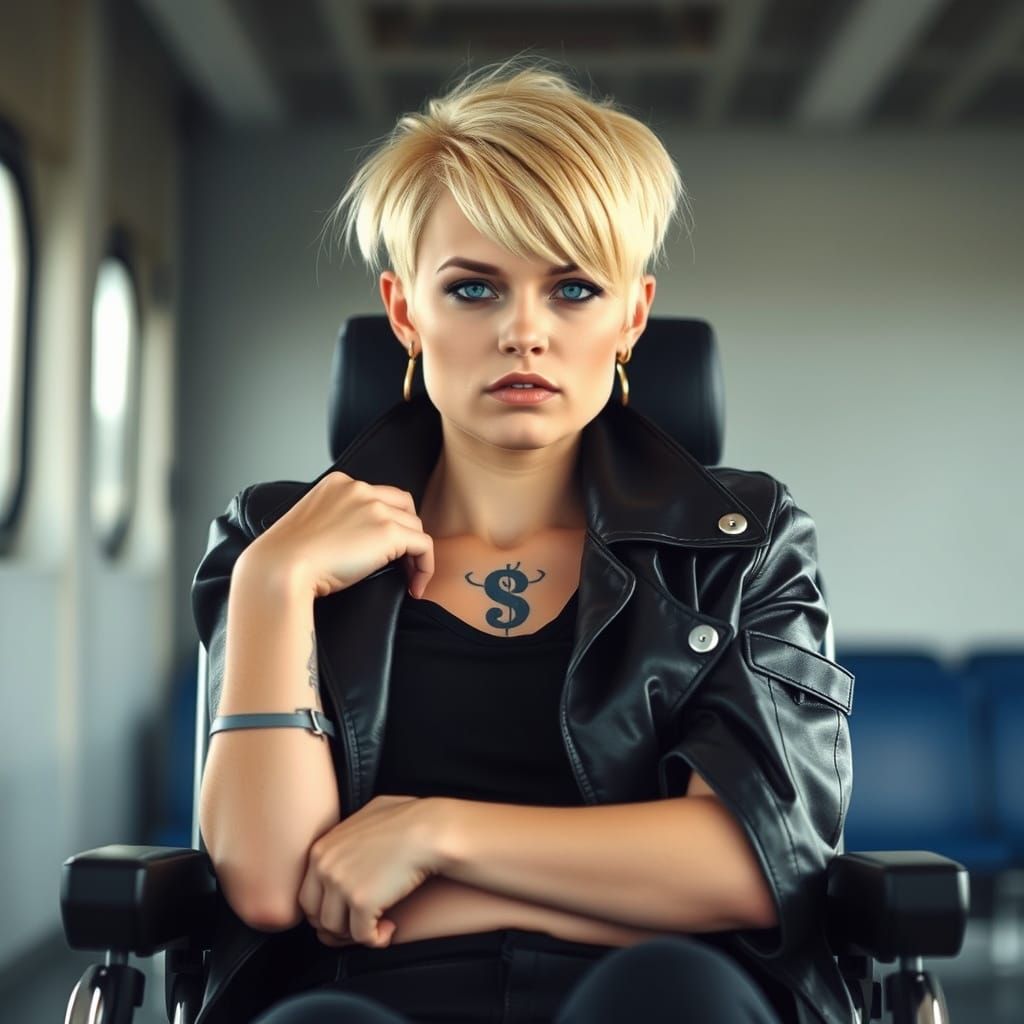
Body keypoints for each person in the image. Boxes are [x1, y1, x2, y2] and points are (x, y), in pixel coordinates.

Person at [190, 56, 857, 1024]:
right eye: (473, 289)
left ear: (631, 317)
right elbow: (268, 886)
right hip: (368, 995)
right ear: (403, 311)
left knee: (670, 998)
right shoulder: (274, 538)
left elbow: (752, 864)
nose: (524, 332)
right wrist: (273, 583)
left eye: (573, 289)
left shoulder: (744, 539)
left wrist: (439, 836)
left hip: (663, 986)